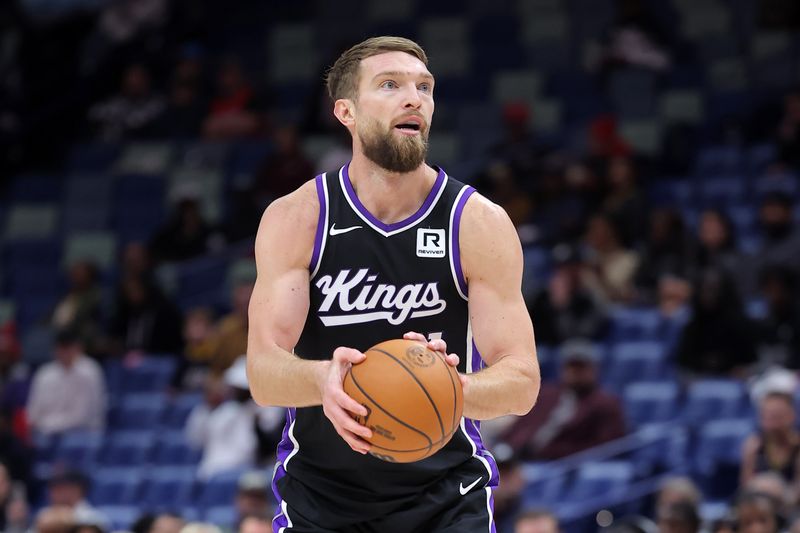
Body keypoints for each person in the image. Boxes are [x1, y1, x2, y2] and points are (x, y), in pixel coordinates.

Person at [246, 36, 539, 531]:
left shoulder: (477, 223)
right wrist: (325, 381)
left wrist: (447, 389)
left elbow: (523, 381)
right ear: (347, 112)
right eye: (390, 85)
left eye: (424, 87)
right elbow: (263, 372)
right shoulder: (298, 218)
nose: (414, 98)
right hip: (320, 495)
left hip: (446, 496)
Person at [496, 339, 624, 460]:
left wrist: (547, 451)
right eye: (572, 367)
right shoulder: (547, 395)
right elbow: (522, 425)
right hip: (519, 458)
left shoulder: (605, 404)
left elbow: (606, 447)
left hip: (563, 465)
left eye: (582, 367)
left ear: (594, 369)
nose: (576, 372)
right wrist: (506, 444)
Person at [26, 330, 107, 435]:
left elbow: (81, 417)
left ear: (78, 348)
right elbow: (33, 413)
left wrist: (47, 425)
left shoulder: (89, 371)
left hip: (84, 434)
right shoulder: (44, 373)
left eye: (68, 348)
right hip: (46, 431)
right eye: (61, 348)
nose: (65, 353)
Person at [741, 391, 800, 502]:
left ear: (791, 415)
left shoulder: (797, 447)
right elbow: (746, 489)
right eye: (768, 415)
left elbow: (797, 495)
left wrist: (776, 491)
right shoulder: (754, 446)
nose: (773, 422)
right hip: (760, 504)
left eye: (778, 416)